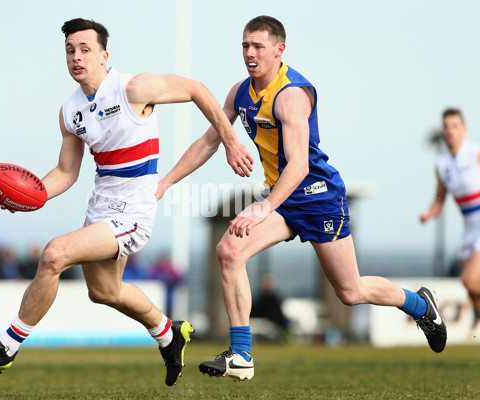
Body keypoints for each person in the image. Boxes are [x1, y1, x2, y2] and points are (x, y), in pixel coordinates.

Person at [0, 17, 253, 387]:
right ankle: (168, 333)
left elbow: (196, 89)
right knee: (104, 292)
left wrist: (230, 140)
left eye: (85, 49)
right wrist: (31, 196)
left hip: (135, 211)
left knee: (54, 254)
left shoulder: (134, 87)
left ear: (104, 55)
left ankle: (6, 346)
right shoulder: (70, 111)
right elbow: (66, 172)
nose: (76, 57)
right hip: (101, 205)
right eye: (70, 51)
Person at [157, 15, 447, 382]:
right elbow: (208, 142)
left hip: (318, 197)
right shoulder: (239, 93)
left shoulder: (291, 95)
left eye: (258, 46)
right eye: (245, 45)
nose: (249, 53)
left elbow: (296, 168)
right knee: (229, 250)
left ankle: (421, 306)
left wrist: (261, 208)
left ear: (279, 50)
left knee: (350, 291)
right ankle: (242, 354)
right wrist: (166, 181)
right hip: (282, 200)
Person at [421, 108, 480, 324]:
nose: (450, 130)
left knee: (470, 280)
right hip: (469, 226)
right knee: (470, 287)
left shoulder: (475, 153)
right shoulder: (442, 164)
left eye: (455, 126)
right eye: (446, 126)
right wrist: (429, 213)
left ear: (464, 129)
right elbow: (439, 200)